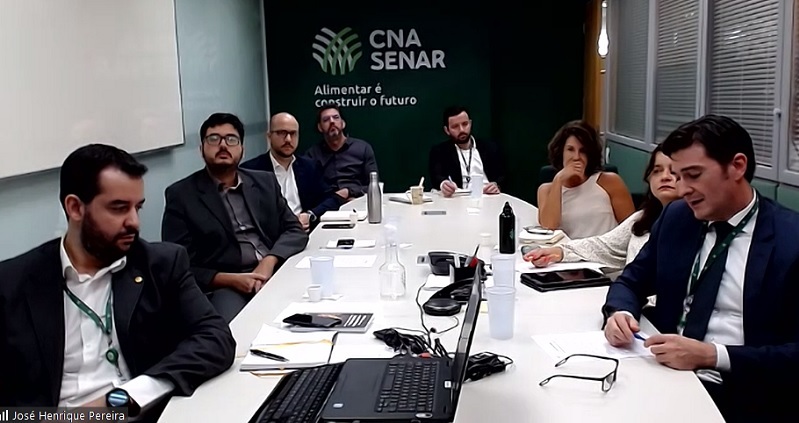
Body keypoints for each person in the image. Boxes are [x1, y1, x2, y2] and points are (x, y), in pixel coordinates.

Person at [0, 144, 235, 420]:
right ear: (75, 208)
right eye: (119, 208)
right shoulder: (13, 283)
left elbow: (216, 338)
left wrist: (123, 399)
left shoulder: (159, 264)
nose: (134, 222)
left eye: (138, 207)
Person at [602, 115, 799, 422]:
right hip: (665, 377)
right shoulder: (677, 218)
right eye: (678, 176)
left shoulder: (791, 239)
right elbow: (631, 281)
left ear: (737, 166)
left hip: (748, 393)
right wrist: (621, 313)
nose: (682, 189)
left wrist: (713, 355)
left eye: (693, 175)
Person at [162, 113, 308, 322]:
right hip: (227, 285)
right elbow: (178, 265)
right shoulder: (182, 195)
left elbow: (294, 230)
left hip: (275, 270)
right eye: (214, 139)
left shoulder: (264, 182)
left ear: (242, 149)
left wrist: (269, 261)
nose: (223, 145)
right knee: (233, 330)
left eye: (231, 139)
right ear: (201, 149)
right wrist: (230, 280)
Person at [524, 145, 678, 270]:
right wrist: (558, 252)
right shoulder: (642, 218)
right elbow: (603, 245)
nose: (665, 177)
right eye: (657, 171)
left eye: (673, 171)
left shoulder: (689, 225)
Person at [241, 112, 342, 231]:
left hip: (305, 233)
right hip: (271, 237)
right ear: (269, 136)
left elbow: (331, 199)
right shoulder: (251, 171)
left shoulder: (310, 167)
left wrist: (310, 215)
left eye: (293, 133)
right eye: (282, 133)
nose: (288, 139)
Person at [537, 120, 635, 239]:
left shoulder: (609, 181)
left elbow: (630, 229)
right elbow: (549, 227)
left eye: (583, 151)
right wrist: (558, 180)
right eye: (570, 149)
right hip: (568, 250)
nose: (576, 157)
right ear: (561, 152)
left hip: (606, 249)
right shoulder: (546, 190)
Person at [304, 105, 378, 201]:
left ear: (343, 123)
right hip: (326, 205)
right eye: (326, 120)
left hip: (357, 202)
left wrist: (349, 192)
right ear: (320, 127)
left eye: (336, 117)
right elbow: (309, 191)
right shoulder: (312, 155)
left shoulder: (363, 148)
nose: (332, 121)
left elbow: (374, 186)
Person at [429, 105, 505, 197]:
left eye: (465, 124)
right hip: (457, 199)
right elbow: (437, 176)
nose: (461, 130)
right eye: (455, 126)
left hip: (487, 197)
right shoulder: (439, 151)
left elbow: (502, 177)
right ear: (447, 130)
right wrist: (444, 184)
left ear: (470, 123)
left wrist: (496, 185)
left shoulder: (490, 148)